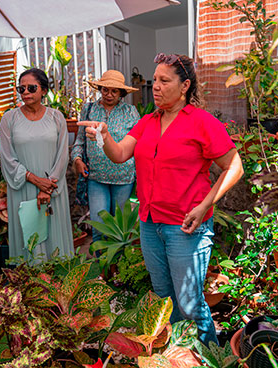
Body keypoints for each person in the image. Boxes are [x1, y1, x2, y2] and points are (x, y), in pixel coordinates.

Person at [79, 54, 244, 345]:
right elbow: (119, 156)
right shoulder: (146, 123)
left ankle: (209, 355)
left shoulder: (202, 123)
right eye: (154, 80)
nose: (155, 86)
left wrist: (205, 204)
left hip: (185, 228)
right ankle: (177, 353)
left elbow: (235, 167)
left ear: (185, 87)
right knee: (164, 298)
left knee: (190, 303)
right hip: (149, 224)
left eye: (164, 80)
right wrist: (103, 136)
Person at [0, 68, 73, 261]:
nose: (26, 93)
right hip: (23, 188)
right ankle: (31, 286)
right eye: (21, 89)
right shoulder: (9, 119)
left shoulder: (57, 117)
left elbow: (62, 155)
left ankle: (60, 285)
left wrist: (47, 187)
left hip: (53, 188)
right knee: (29, 237)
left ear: (44, 90)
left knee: (54, 237)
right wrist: (35, 180)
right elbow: (7, 158)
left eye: (31, 88)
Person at [71, 70, 140, 242]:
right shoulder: (89, 110)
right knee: (99, 226)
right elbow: (80, 139)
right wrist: (77, 159)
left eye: (114, 91)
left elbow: (138, 142)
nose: (109, 94)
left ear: (121, 93)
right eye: (105, 90)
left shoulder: (130, 112)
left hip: (123, 177)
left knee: (120, 229)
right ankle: (101, 267)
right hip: (96, 177)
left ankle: (118, 267)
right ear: (100, 89)